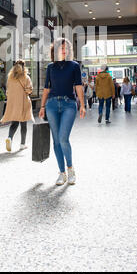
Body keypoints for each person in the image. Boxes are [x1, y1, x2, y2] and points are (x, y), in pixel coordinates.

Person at [39, 38, 86, 186]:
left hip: (68, 104)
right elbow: (46, 88)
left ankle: (70, 169)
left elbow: (78, 86)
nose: (64, 51)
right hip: (51, 105)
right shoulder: (50, 67)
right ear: (55, 50)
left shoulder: (74, 66)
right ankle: (61, 173)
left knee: (63, 138)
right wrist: (41, 107)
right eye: (61, 48)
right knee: (56, 141)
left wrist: (82, 105)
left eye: (66, 49)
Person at [1, 60, 34, 152]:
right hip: (23, 103)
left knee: (14, 123)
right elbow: (29, 90)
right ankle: (22, 144)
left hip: (13, 104)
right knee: (23, 124)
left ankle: (10, 138)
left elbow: (8, 91)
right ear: (24, 67)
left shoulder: (10, 78)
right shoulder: (26, 77)